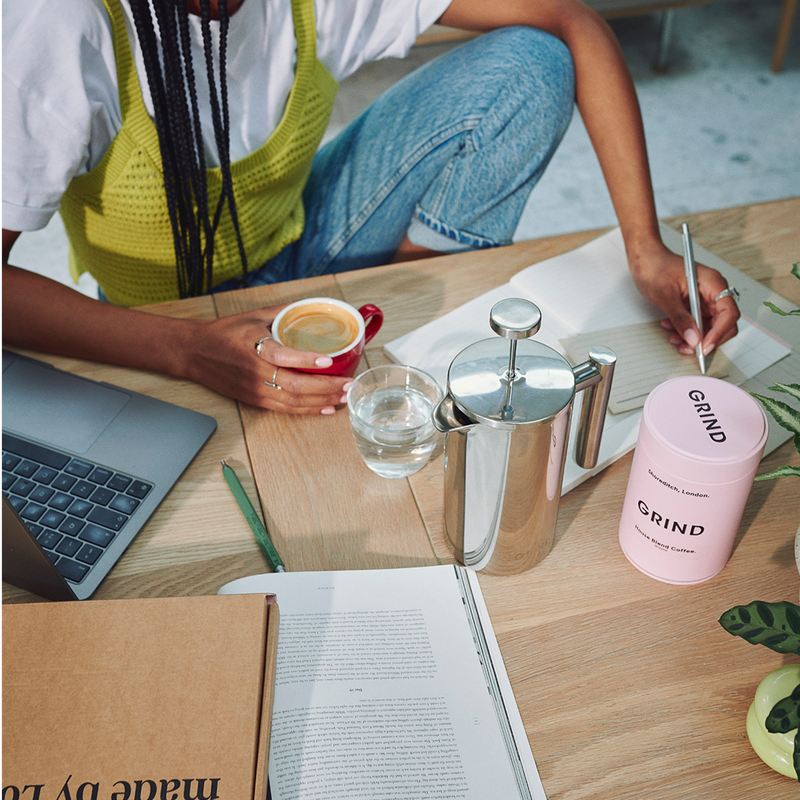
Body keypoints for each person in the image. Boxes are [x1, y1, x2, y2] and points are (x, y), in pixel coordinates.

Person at [0, 0, 739, 415]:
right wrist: (186, 349)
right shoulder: (59, 26)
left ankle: (396, 334)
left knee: (530, 62)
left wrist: (643, 247)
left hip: (308, 235)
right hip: (166, 313)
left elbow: (571, 24)